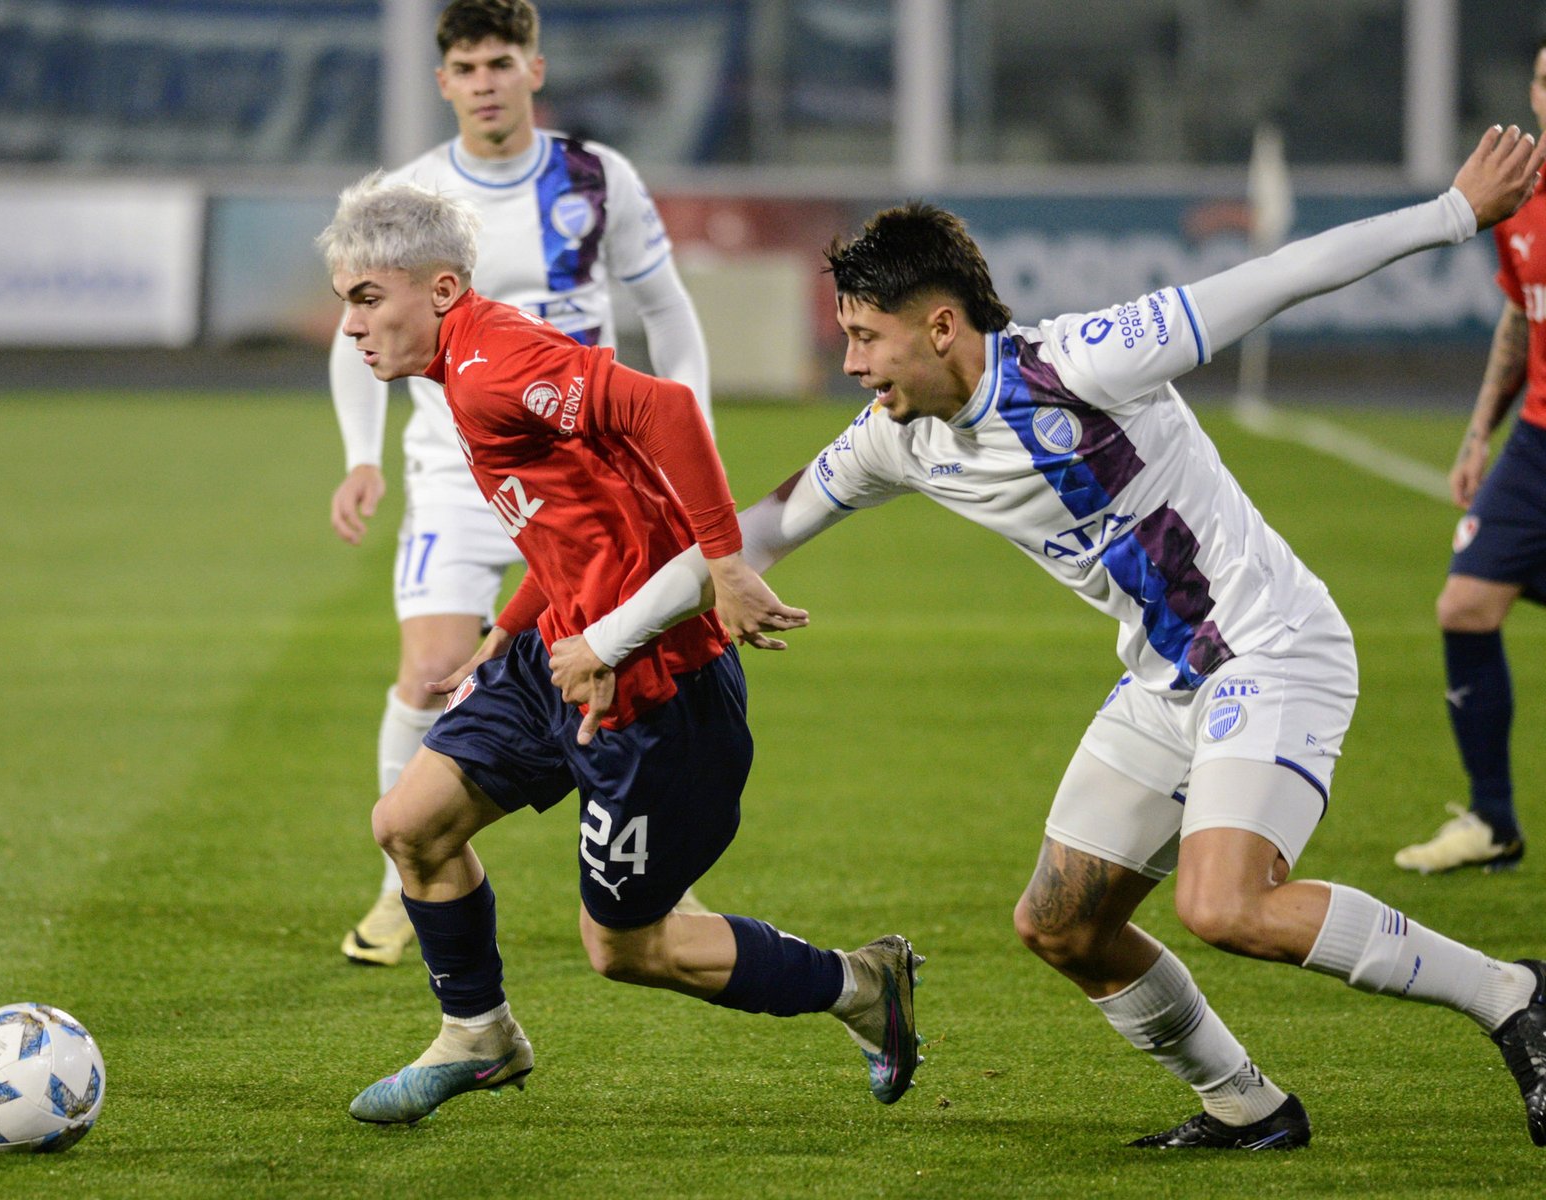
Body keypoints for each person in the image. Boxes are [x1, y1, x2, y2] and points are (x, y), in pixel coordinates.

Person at [551, 126, 1546, 1149]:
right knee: (1061, 924)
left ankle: (1513, 994)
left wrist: (1451, 214)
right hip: (1165, 681)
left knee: (1227, 904)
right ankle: (1245, 1105)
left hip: (1270, 649)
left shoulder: (1086, 361)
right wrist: (610, 638)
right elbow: (751, 531)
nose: (848, 362)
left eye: (864, 336)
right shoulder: (897, 440)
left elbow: (1274, 277)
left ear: (940, 327)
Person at [315, 172, 922, 1125]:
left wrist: (725, 566)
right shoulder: (464, 371)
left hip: (653, 692)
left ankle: (861, 984)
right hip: (557, 652)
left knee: (626, 948)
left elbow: (668, 412)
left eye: (365, 298)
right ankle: (478, 1035)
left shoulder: (493, 364)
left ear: (437, 289)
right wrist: (505, 634)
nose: (350, 328)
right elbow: (584, 515)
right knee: (410, 825)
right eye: (344, 302)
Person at [329, 0, 714, 966]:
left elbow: (667, 309)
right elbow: (360, 333)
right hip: (459, 472)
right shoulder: (408, 194)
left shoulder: (596, 177)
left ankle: (657, 861)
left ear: (534, 69)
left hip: (586, 467)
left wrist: (688, 438)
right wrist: (362, 455)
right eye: (468, 66)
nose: (487, 81)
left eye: (503, 61)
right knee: (430, 675)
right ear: (444, 81)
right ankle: (398, 885)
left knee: (626, 661)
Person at [1396, 39, 1546, 876]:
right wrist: (1478, 432)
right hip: (1536, 439)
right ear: (1531, 92)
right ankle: (1494, 819)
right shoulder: (1520, 199)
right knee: (1465, 605)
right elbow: (1523, 318)